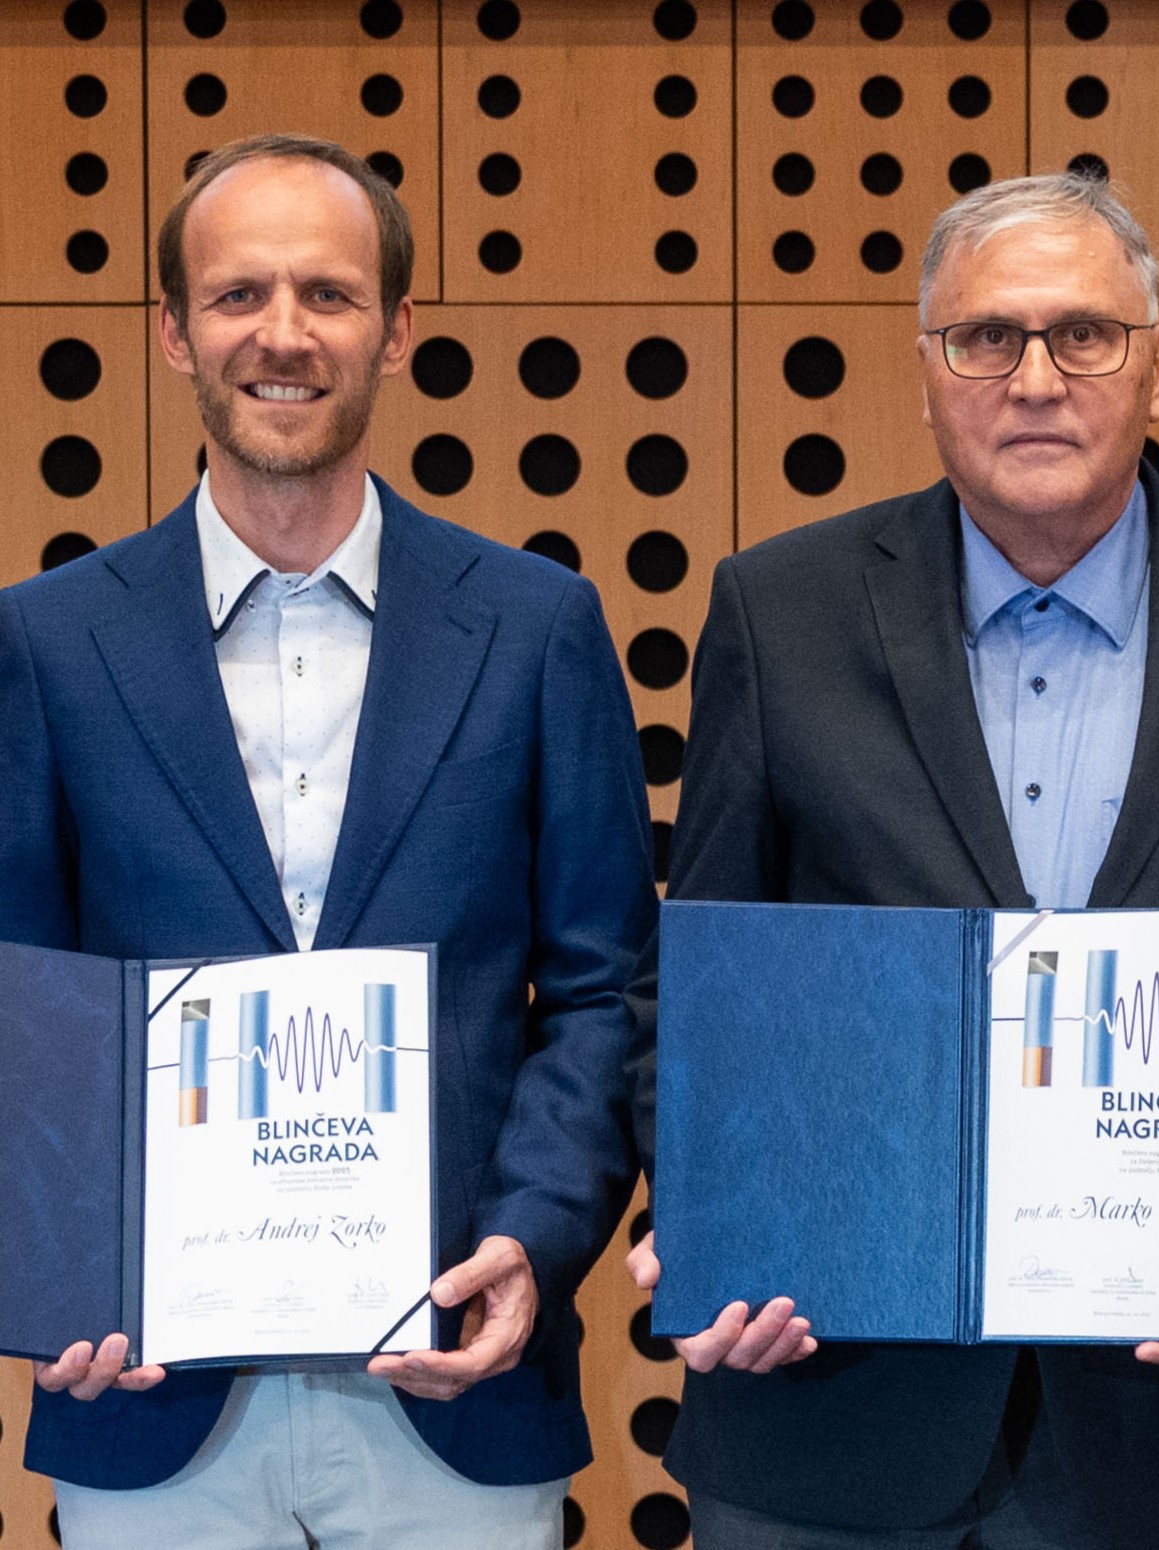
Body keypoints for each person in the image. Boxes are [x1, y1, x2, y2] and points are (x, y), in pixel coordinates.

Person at [624, 171, 1159, 1550]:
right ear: (928, 373)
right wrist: (716, 1206)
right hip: (826, 1412)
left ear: (1158, 367)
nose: (1035, 379)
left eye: (1084, 335)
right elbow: (700, 991)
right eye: (987, 338)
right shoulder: (778, 610)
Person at [0, 134, 657, 1548]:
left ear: (396, 329)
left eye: (329, 294)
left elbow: (603, 987)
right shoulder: (46, 643)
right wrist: (55, 1271)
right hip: (149, 1389)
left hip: (457, 1371)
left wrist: (533, 1238)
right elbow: (21, 996)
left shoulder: (537, 626)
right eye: (238, 295)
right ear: (174, 331)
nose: (283, 335)